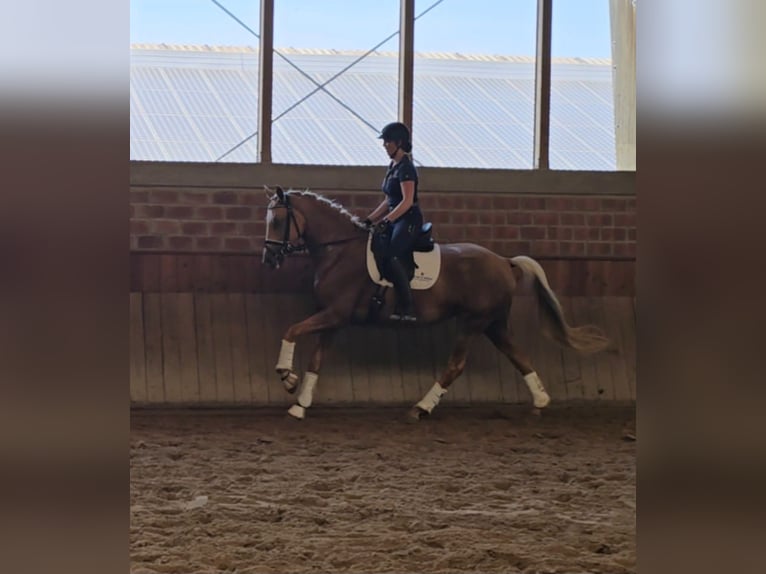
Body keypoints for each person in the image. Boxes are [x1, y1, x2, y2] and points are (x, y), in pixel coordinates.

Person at [363, 122, 422, 322]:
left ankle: (408, 306)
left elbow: (406, 201)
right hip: (395, 219)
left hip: (408, 220)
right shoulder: (393, 167)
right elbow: (389, 200)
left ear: (399, 143)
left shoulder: (406, 168)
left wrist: (387, 220)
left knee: (392, 255)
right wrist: (370, 219)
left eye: (387, 142)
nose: (384, 145)